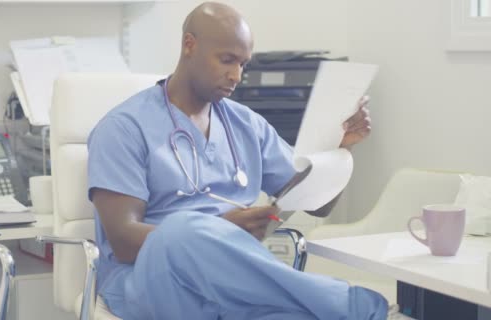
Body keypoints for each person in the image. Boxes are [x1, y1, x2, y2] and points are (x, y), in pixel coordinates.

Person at [87, 2, 393, 319]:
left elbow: (319, 204)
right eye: (227, 60)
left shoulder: (246, 124)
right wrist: (217, 229)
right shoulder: (124, 127)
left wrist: (342, 149)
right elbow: (123, 242)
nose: (236, 75)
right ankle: (352, 305)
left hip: (230, 287)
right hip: (150, 281)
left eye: (243, 64)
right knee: (180, 229)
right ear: (189, 45)